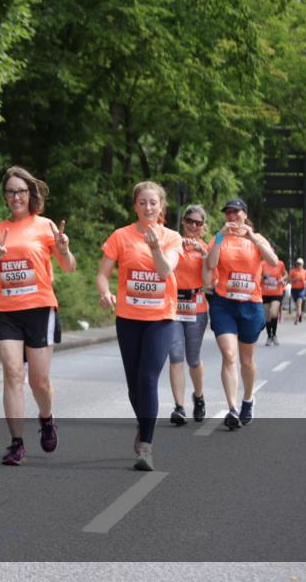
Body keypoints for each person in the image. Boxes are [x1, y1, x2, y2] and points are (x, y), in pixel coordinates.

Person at [0, 166, 75, 468]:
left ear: (30, 194)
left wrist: (64, 248)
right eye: (10, 192)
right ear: (5, 196)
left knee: (39, 381)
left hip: (39, 308)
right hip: (5, 310)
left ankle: (46, 419)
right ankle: (16, 444)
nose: (15, 196)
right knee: (12, 374)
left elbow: (69, 267)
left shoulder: (45, 226)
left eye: (20, 191)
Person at [97, 181, 181, 471]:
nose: (148, 207)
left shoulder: (172, 237)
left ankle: (146, 446)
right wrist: (104, 292)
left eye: (153, 203)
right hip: (129, 318)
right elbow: (102, 274)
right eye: (142, 203)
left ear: (161, 207)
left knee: (147, 379)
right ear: (135, 206)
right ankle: (144, 420)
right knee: (134, 384)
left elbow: (165, 270)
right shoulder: (121, 236)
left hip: (160, 319)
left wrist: (156, 248)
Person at [205, 198, 278, 430]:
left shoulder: (257, 239)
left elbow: (273, 261)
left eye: (236, 212)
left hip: (251, 304)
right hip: (224, 304)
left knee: (246, 360)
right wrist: (219, 235)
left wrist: (252, 237)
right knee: (229, 355)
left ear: (245, 215)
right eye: (228, 213)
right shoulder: (219, 238)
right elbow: (210, 263)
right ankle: (232, 408)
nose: (232, 217)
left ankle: (248, 399)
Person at [167, 205, 209, 425]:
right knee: (175, 356)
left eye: (198, 223)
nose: (193, 225)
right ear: (182, 222)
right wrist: (175, 249)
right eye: (189, 221)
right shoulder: (173, 243)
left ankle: (199, 397)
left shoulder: (206, 249)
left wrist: (203, 254)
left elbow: (208, 280)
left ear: (203, 227)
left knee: (193, 359)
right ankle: (179, 407)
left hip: (197, 307)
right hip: (173, 306)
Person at [261, 247, 286, 345]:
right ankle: (269, 336)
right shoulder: (262, 264)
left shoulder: (280, 264)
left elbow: (285, 274)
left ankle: (274, 334)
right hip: (265, 293)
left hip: (277, 292)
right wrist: (262, 278)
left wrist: (281, 279)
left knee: (273, 313)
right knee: (267, 316)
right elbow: (257, 276)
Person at [289, 258, 306, 324]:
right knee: (297, 305)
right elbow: (289, 280)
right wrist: (294, 279)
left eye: (300, 264)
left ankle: (297, 318)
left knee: (299, 304)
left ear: (302, 265)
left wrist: (304, 281)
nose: (299, 265)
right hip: (294, 289)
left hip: (301, 289)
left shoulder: (305, 272)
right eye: (298, 263)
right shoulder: (293, 271)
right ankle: (300, 315)